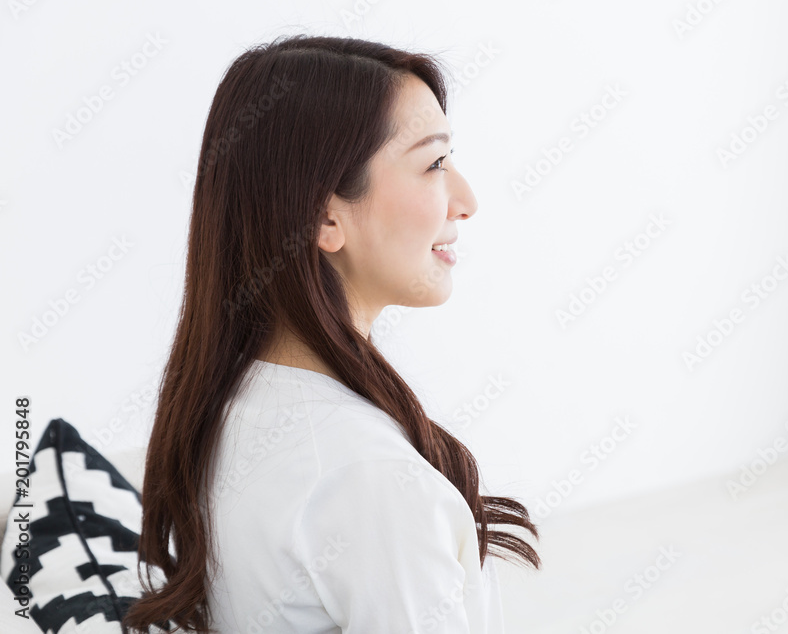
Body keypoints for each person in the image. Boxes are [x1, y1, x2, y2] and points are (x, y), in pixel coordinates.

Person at [124, 35, 541, 634]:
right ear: (324, 216)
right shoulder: (370, 481)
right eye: (434, 164)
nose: (466, 201)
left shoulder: (229, 403)